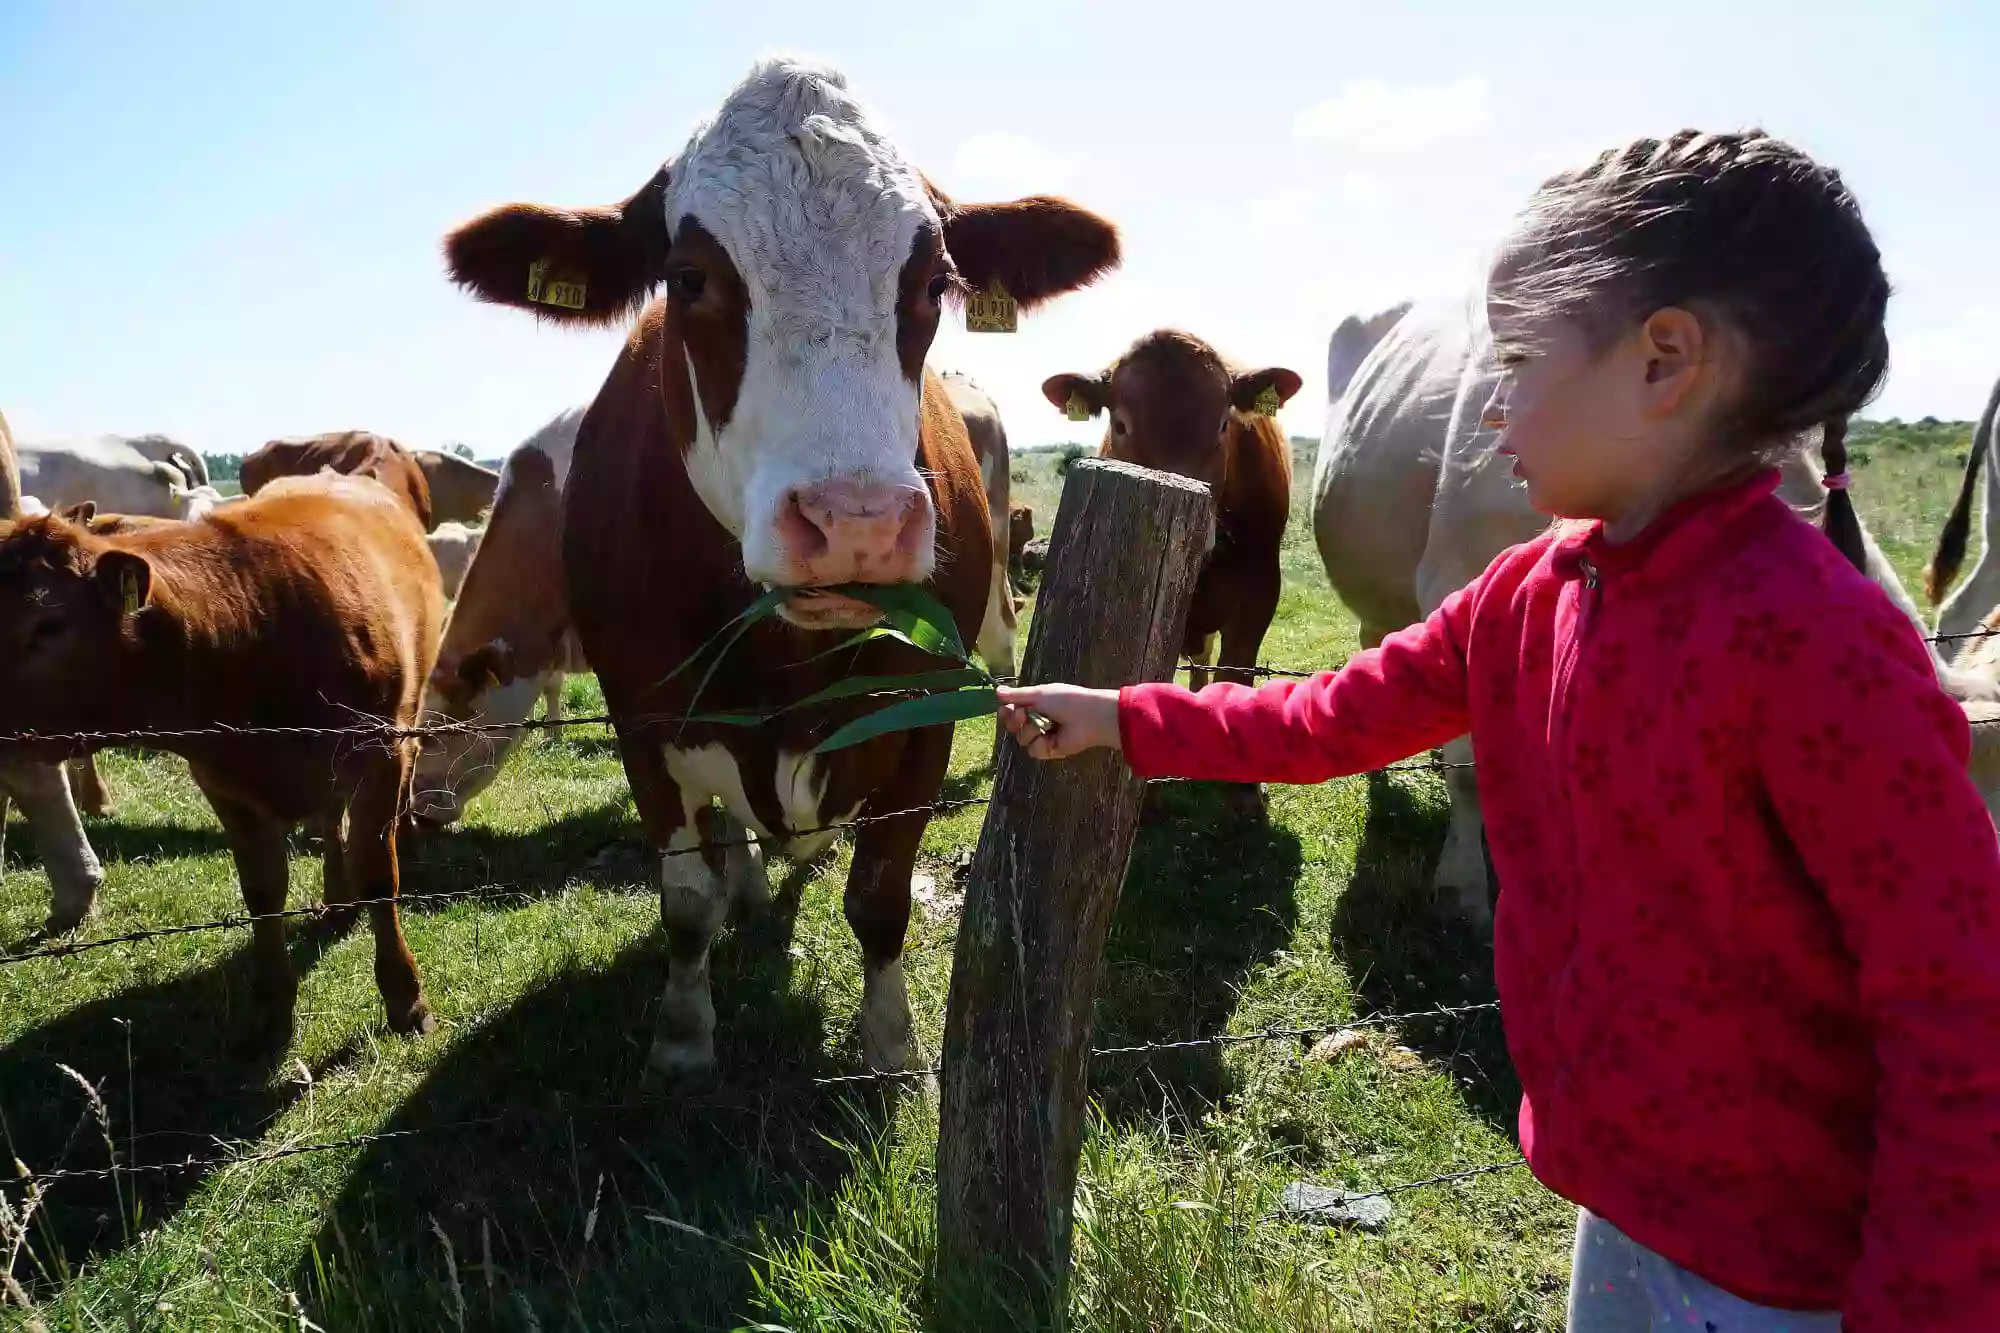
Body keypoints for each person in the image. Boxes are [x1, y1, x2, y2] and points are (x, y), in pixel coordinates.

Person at [997, 130, 2000, 1332]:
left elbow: (1956, 1001)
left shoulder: (1820, 648)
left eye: (1516, 360)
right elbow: (1329, 717)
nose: (1487, 410)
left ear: (1661, 362)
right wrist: (1123, 717)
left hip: (1785, 1269)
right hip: (1610, 1192)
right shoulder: (1526, 593)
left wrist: (1924, 1300)